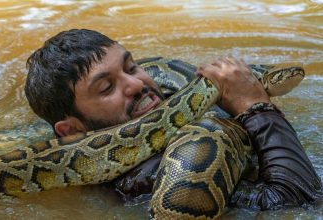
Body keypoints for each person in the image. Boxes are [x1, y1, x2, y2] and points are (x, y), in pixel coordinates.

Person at [24, 29, 321, 210]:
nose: (136, 84)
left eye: (131, 66)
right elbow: (296, 200)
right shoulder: (148, 181)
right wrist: (255, 108)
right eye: (106, 88)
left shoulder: (174, 103)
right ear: (72, 131)